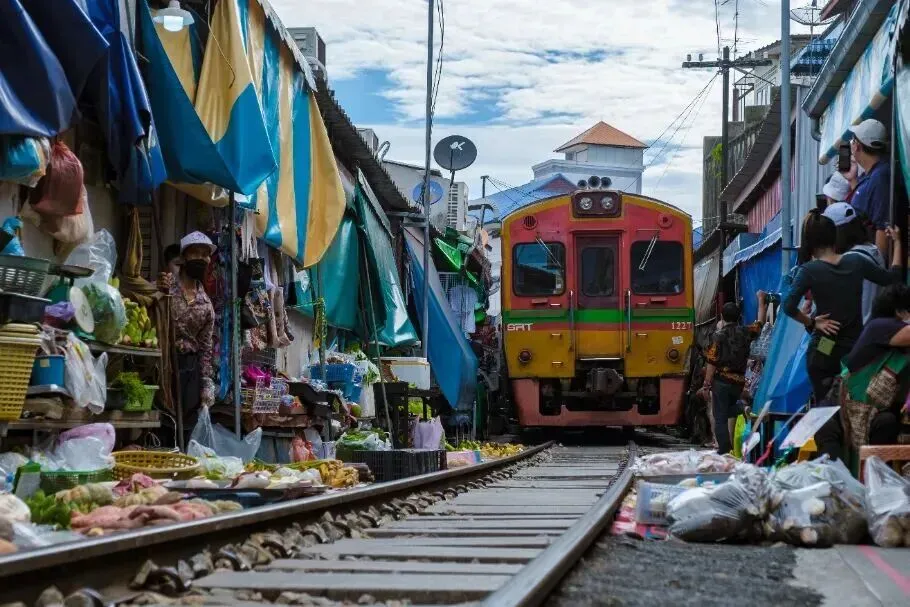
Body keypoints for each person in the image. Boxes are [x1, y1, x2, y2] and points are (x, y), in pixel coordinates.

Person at [783, 211, 902, 401]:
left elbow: (788, 306)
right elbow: (892, 278)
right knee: (852, 406)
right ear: (834, 236)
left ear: (810, 242)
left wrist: (812, 322)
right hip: (854, 351)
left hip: (825, 346)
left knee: (825, 410)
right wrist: (897, 242)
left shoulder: (809, 271)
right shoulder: (856, 262)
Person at [813, 284, 910, 461]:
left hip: (872, 413)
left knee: (887, 423)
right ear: (899, 312)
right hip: (839, 408)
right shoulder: (879, 326)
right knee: (828, 440)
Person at [157, 232, 216, 447]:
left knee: (186, 425)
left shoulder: (206, 305)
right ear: (183, 258)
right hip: (163, 363)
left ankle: (181, 465)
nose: (201, 259)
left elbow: (206, 351)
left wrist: (206, 386)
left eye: (205, 255)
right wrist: (158, 290)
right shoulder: (166, 288)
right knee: (163, 420)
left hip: (189, 370)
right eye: (196, 253)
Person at [698, 291, 769, 455]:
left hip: (721, 381)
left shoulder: (718, 336)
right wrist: (761, 302)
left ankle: (724, 451)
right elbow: (760, 323)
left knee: (720, 417)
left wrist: (706, 384)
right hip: (738, 382)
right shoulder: (745, 332)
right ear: (739, 317)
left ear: (722, 317)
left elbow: (711, 362)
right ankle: (742, 407)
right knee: (728, 409)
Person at [824, 202, 886, 324]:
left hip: (850, 335)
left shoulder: (848, 261)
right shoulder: (874, 250)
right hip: (870, 330)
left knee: (821, 343)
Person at [842, 119, 891, 258]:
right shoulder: (867, 175)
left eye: (852, 140)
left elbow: (882, 228)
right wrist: (852, 180)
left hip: (868, 265)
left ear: (857, 146)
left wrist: (876, 270)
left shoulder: (880, 176)